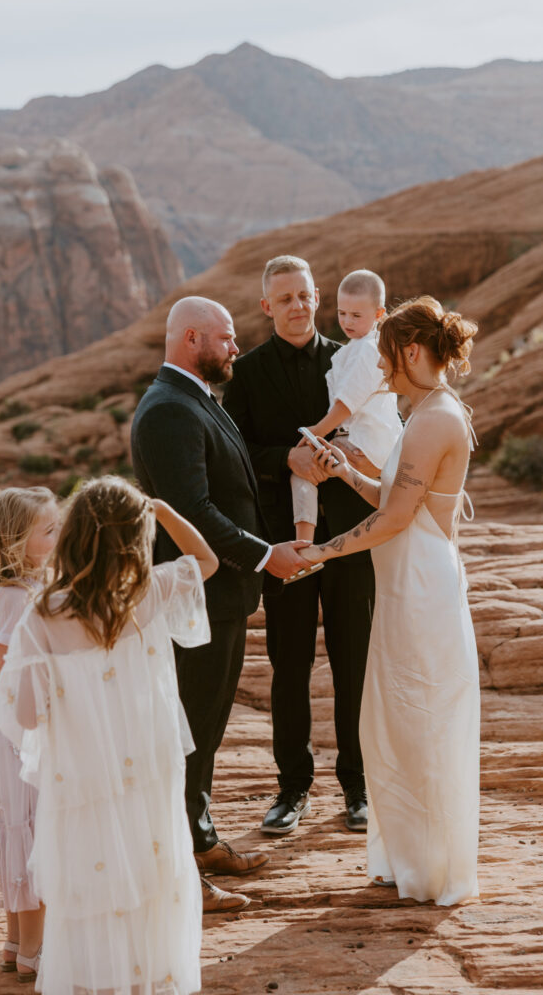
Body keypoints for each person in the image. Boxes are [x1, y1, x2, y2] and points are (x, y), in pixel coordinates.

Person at [0, 476, 217, 994]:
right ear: (136, 540)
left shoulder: (44, 615)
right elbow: (205, 561)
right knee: (151, 878)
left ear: (71, 535)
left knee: (90, 893)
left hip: (82, 783)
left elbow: (25, 716)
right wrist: (161, 509)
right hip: (150, 772)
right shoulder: (149, 591)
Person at [300, 296, 481, 906]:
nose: (379, 370)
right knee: (395, 719)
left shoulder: (434, 418)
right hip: (408, 582)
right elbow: (393, 497)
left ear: (410, 351)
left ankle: (430, 869)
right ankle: (406, 856)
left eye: (384, 358)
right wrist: (347, 469)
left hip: (421, 584)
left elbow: (398, 519)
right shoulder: (426, 410)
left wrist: (322, 552)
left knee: (421, 718)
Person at [131, 296, 308, 910]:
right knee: (186, 730)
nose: (237, 347)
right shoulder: (168, 412)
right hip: (195, 597)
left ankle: (201, 840)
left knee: (204, 728)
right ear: (191, 340)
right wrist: (265, 555)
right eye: (226, 338)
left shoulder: (196, 398)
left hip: (220, 595)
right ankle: (180, 871)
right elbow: (195, 515)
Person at [223, 256, 375, 834]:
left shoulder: (351, 358)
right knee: (290, 666)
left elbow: (375, 430)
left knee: (353, 663)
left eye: (305, 296)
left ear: (318, 299)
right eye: (284, 298)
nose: (297, 306)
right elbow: (235, 455)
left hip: (352, 536)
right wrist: (283, 457)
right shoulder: (247, 372)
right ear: (267, 306)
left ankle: (357, 787)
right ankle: (292, 789)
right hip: (282, 541)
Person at [0, 486, 59, 982]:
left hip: (8, 725)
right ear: (14, 543)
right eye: (48, 529)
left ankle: (13, 942)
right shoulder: (15, 596)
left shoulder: (20, 590)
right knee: (32, 832)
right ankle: (36, 953)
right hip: (19, 729)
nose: (58, 533)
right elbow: (8, 665)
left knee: (18, 831)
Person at [291, 269, 402, 541]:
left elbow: (345, 405)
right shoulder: (364, 345)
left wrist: (315, 431)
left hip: (364, 444)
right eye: (342, 313)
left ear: (379, 314)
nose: (346, 321)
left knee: (304, 467)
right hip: (376, 444)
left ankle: (303, 544)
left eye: (356, 315)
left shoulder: (367, 349)